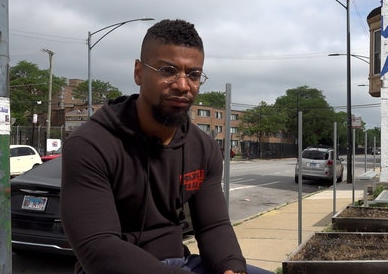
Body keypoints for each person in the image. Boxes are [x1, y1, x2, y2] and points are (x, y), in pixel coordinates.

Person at [61, 19, 272, 274]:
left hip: (181, 263)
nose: (183, 85)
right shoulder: (91, 144)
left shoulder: (202, 147)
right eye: (168, 70)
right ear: (139, 72)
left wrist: (231, 269)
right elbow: (97, 247)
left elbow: (213, 226)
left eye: (193, 75)